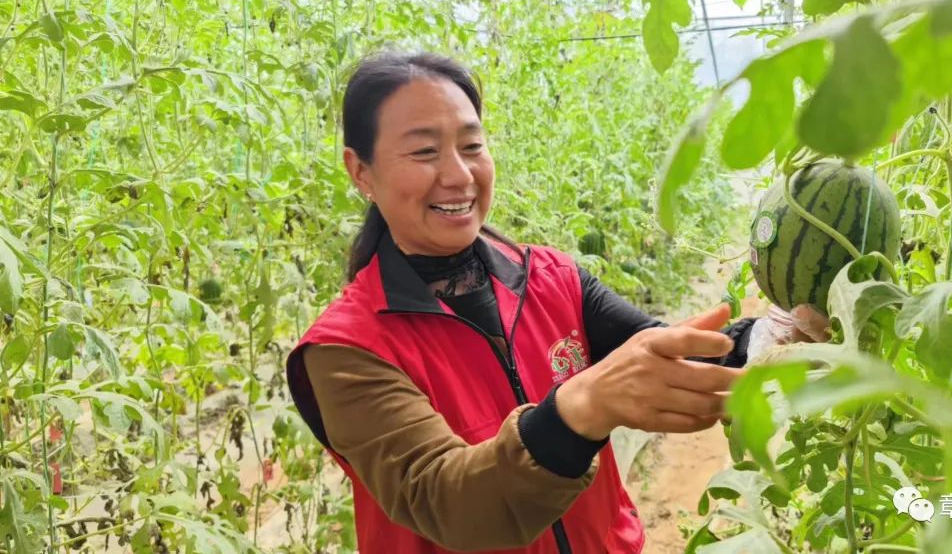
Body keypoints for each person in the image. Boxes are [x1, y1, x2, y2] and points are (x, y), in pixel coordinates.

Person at [285, 51, 827, 554]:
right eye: (424, 151)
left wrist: (774, 335)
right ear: (360, 171)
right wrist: (579, 410)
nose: (458, 174)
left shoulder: (552, 277)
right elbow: (448, 503)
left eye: (472, 146)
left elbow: (673, 353)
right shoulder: (343, 350)